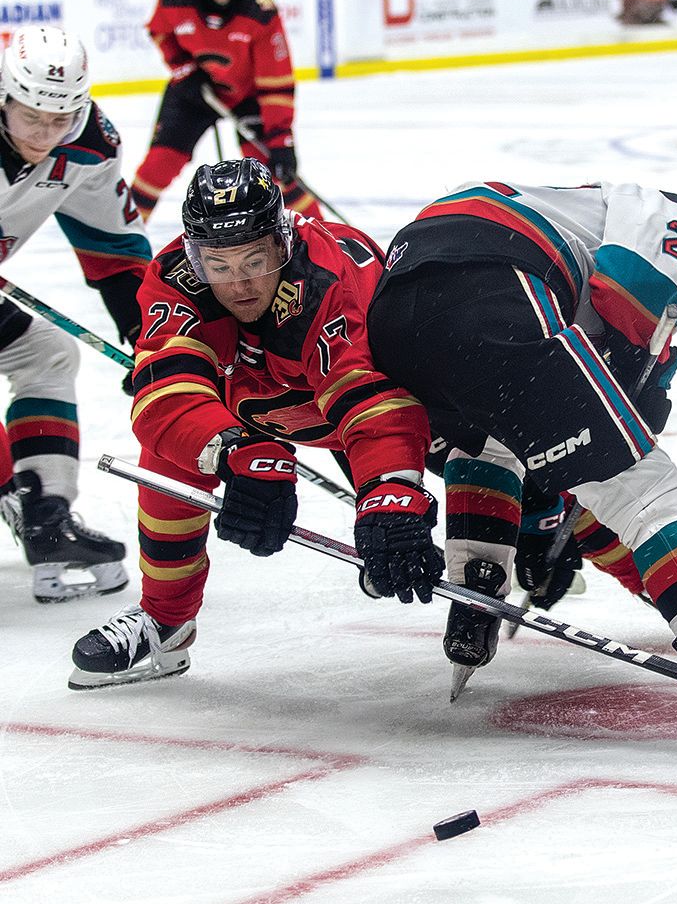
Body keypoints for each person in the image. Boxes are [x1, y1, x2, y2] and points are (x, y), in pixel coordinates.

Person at [364, 180, 677, 760]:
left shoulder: (591, 215)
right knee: (644, 488)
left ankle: (475, 595)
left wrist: (549, 504)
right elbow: (628, 293)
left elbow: (549, 399)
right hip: (492, 279)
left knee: (485, 445)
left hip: (399, 304)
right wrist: (625, 411)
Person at [69, 157, 442, 689]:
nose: (239, 284)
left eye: (254, 261)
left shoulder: (325, 279)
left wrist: (389, 498)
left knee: (494, 455)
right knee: (171, 454)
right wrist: (238, 454)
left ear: (281, 241)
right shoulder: (175, 275)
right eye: (219, 266)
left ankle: (541, 526)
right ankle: (165, 623)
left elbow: (372, 403)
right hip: (258, 409)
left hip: (370, 402)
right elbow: (163, 394)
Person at [0, 26, 153, 601]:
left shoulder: (87, 144)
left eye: (58, 119)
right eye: (30, 117)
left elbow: (114, 251)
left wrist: (150, 340)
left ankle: (46, 516)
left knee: (45, 351)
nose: (45, 134)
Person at [130, 0, 323, 223]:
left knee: (276, 173)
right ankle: (124, 242)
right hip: (195, 92)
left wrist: (281, 140)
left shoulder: (259, 11)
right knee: (158, 166)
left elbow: (276, 83)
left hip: (247, 97)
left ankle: (328, 238)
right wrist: (184, 69)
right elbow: (160, 32)